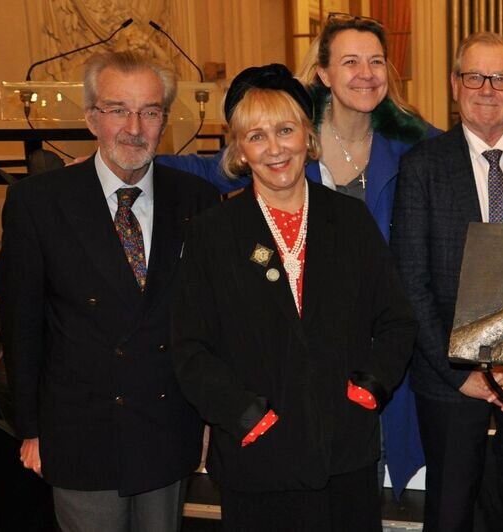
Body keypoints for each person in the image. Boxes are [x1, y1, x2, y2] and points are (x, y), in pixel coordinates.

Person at [157, 13, 436, 495]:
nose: (273, 148)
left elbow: (395, 317)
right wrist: (241, 413)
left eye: (285, 132)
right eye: (257, 137)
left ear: (305, 137)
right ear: (240, 150)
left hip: (345, 440)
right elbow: (190, 346)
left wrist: (368, 390)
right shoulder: (213, 233)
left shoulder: (371, 192)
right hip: (256, 450)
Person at [0, 51, 219, 531]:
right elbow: (21, 327)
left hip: (167, 424)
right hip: (81, 430)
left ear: (164, 120)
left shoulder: (197, 201)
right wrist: (31, 430)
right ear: (92, 117)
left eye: (150, 111)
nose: (134, 126)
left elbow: (206, 324)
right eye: (119, 109)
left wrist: (205, 417)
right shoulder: (39, 203)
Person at [390, 31, 503, 532]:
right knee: (450, 512)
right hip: (450, 379)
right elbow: (411, 281)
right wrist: (462, 373)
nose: (488, 88)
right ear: (455, 85)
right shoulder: (422, 167)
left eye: (502, 78)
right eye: (475, 76)